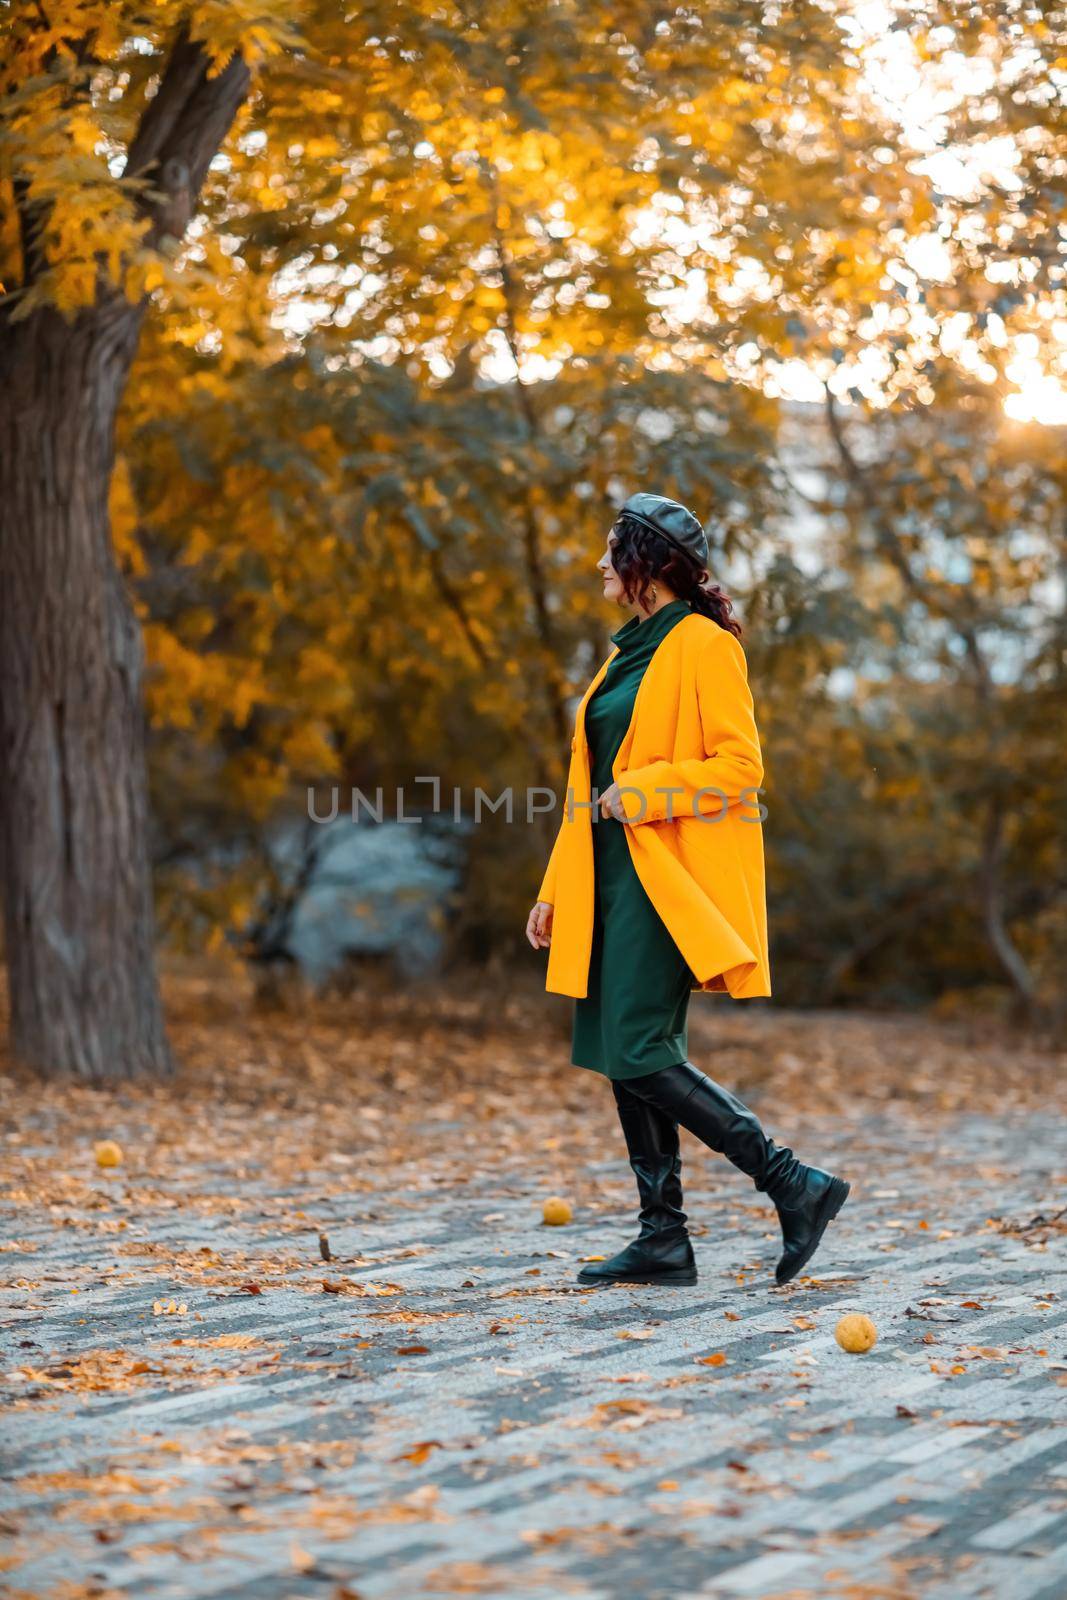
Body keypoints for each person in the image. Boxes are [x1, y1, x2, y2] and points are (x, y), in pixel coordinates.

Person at [526, 493, 849, 1289]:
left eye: (612, 552)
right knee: (619, 1052)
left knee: (637, 1045)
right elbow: (587, 786)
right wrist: (554, 889)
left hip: (665, 880)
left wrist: (643, 791)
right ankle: (662, 1239)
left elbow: (740, 770)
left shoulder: (703, 646)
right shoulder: (621, 655)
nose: (600, 565)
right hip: (605, 877)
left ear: (646, 565)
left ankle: (791, 1182)